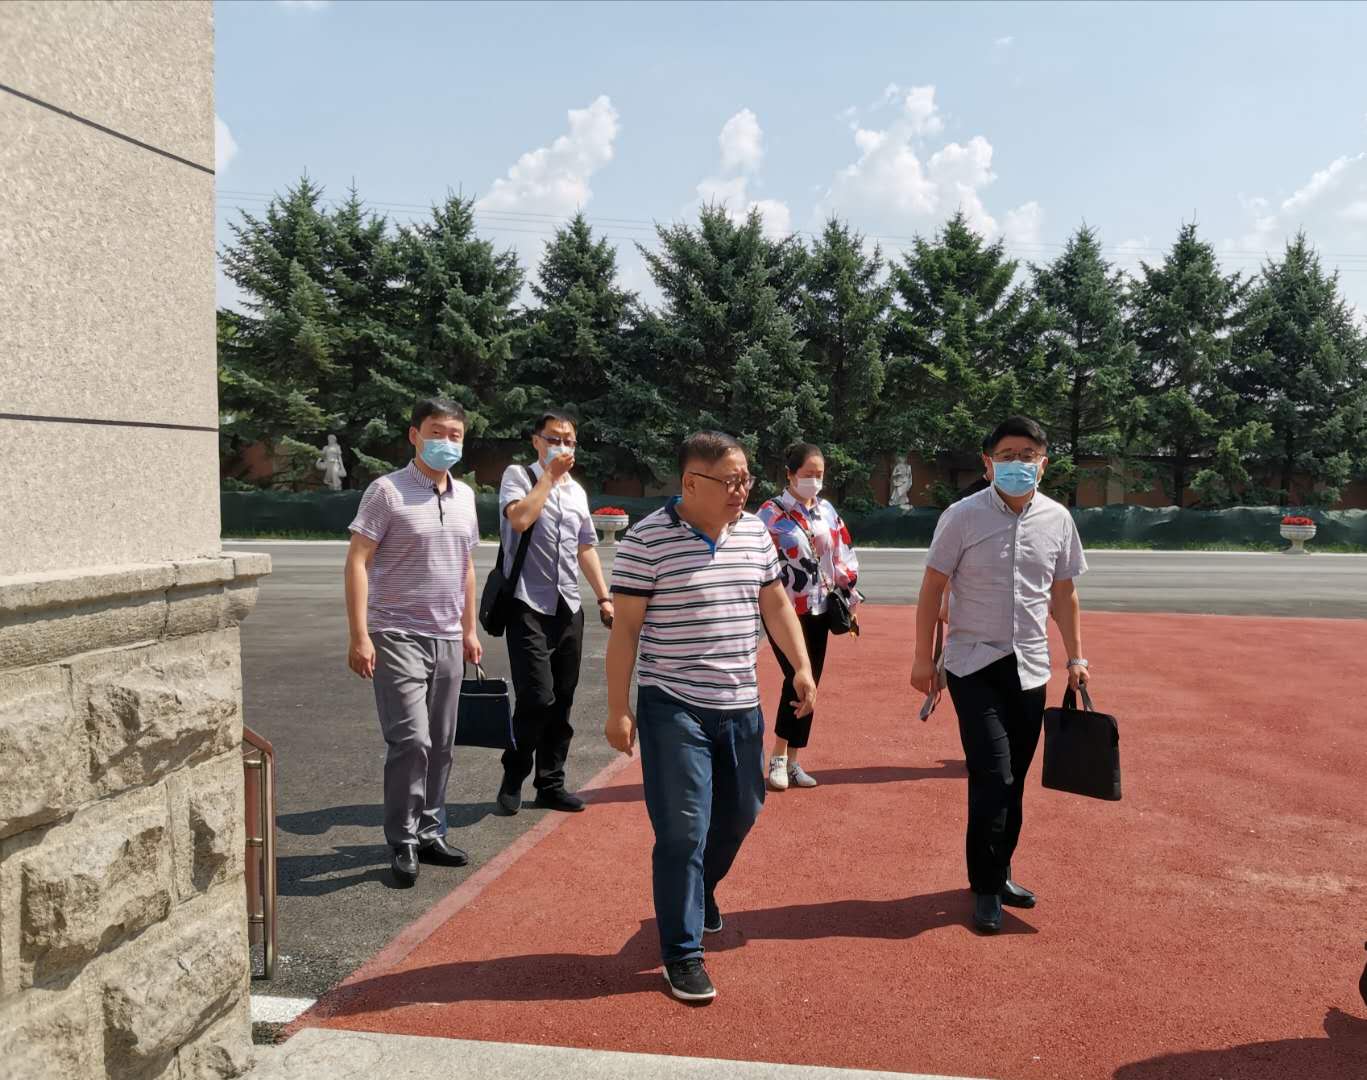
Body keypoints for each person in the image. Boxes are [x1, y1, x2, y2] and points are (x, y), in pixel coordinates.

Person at [606, 431, 817, 1004]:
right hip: (673, 704)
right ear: (690, 483)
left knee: (743, 812)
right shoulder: (646, 540)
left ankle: (701, 890)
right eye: (729, 480)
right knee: (683, 831)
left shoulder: (753, 532)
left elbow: (775, 603)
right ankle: (682, 952)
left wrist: (800, 666)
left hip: (740, 702)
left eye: (745, 479)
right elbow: (625, 632)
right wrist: (618, 708)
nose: (741, 490)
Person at [909, 416, 1090, 934]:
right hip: (973, 663)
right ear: (988, 464)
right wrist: (922, 659)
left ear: (1043, 464)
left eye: (1027, 455)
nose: (1017, 464)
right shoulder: (961, 516)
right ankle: (986, 887)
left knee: (1015, 781)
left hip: (1031, 666)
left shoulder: (1057, 519)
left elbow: (1064, 593)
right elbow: (932, 586)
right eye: (1007, 455)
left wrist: (1076, 659)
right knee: (994, 774)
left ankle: (1000, 869)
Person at [345, 398, 483, 887]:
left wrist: (470, 630)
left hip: (447, 635)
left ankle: (429, 830)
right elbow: (358, 560)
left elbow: (466, 566)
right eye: (436, 432)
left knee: (442, 743)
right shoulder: (386, 492)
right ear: (414, 435)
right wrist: (359, 635)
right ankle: (402, 837)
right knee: (411, 740)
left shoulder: (465, 497)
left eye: (455, 434)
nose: (446, 442)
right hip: (396, 632)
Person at [496, 411, 614, 815]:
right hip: (526, 603)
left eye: (569, 441)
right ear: (536, 441)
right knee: (536, 697)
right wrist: (548, 476)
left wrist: (603, 597)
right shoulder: (519, 476)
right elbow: (519, 519)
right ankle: (514, 774)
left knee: (562, 699)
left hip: (568, 605)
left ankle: (550, 783)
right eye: (554, 438)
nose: (562, 446)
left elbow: (585, 547)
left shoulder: (576, 491)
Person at [756, 442, 861, 791]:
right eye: (808, 474)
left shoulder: (827, 511)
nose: (814, 481)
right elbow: (754, 561)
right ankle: (778, 756)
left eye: (820, 474)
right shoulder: (769, 515)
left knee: (810, 682)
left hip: (819, 607)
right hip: (783, 610)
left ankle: (794, 759)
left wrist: (850, 593)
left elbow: (842, 553)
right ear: (790, 475)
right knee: (795, 677)